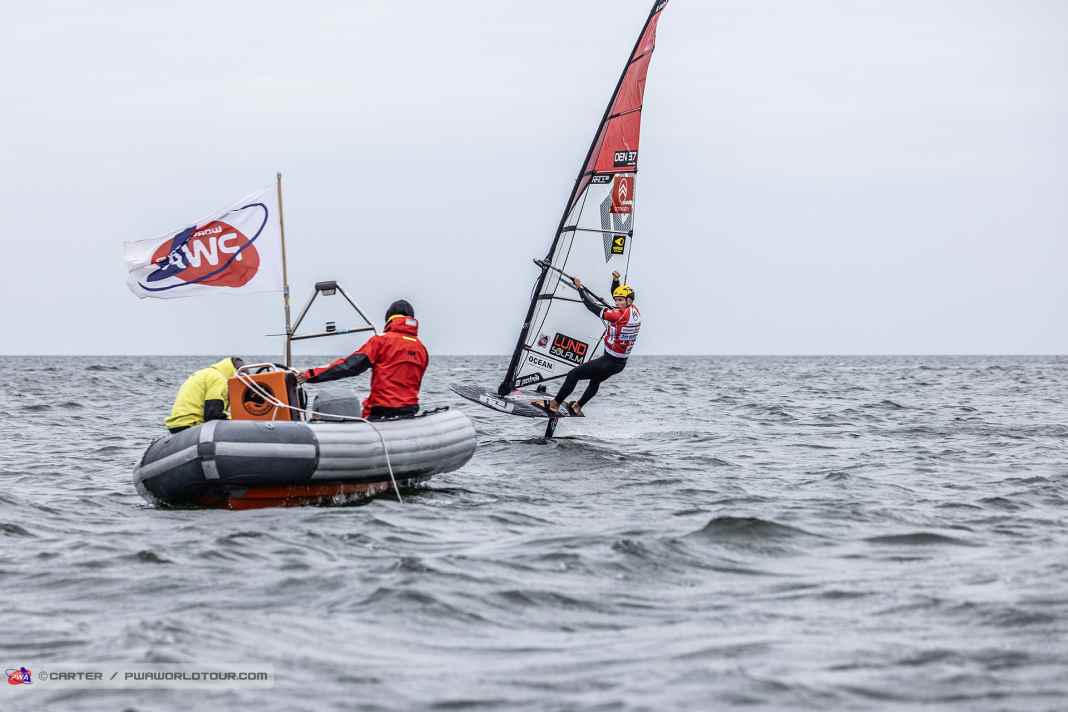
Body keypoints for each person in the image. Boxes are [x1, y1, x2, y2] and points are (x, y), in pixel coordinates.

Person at [297, 299, 429, 420]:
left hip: (381, 411)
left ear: (389, 318)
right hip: (409, 411)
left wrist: (310, 375)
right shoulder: (421, 349)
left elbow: (350, 366)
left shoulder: (381, 341)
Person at [534, 270, 641, 416]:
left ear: (629, 301)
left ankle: (554, 405)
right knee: (595, 381)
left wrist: (579, 288)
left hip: (609, 361)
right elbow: (619, 295)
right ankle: (577, 406)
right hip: (620, 364)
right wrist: (616, 281)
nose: (617, 302)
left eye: (620, 300)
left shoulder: (618, 315)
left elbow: (591, 307)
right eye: (616, 300)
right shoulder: (634, 311)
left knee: (573, 375)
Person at [165, 356, 245, 433]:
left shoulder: (207, 373)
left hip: (177, 425)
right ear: (235, 371)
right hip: (191, 424)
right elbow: (212, 414)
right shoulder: (219, 379)